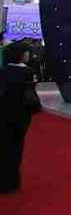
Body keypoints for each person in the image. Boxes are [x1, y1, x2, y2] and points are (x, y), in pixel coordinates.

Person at [0, 42, 39, 193]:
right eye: (26, 52)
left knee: (4, 146)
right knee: (17, 147)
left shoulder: (3, 72)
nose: (28, 54)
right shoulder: (28, 72)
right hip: (22, 114)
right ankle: (13, 180)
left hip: (4, 113)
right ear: (20, 54)